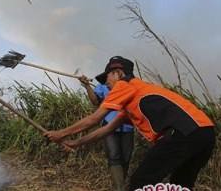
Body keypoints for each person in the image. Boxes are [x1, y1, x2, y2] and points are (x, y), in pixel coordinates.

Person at [44, 56, 215, 191]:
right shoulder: (134, 95)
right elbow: (106, 129)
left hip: (184, 132)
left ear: (118, 73)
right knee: (180, 185)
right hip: (205, 132)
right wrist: (76, 143)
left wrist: (60, 133)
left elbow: (94, 119)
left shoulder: (125, 85)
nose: (105, 83)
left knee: (140, 182)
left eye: (107, 77)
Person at [80, 75, 134, 191]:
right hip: (109, 127)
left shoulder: (128, 87)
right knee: (113, 156)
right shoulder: (103, 87)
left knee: (126, 158)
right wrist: (87, 85)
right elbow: (95, 101)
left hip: (127, 127)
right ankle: (120, 188)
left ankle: (121, 184)